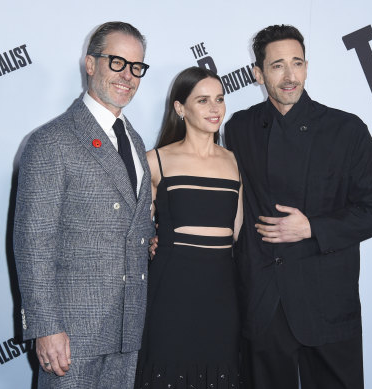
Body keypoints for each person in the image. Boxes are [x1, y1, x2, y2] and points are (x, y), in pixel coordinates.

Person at [224, 25, 372, 389]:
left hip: (327, 301)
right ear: (258, 73)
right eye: (277, 65)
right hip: (264, 302)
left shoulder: (346, 130)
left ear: (306, 67)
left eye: (297, 63)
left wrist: (313, 228)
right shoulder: (239, 127)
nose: (289, 76)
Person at [13, 21, 154, 388]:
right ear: (90, 64)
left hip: (127, 326)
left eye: (136, 67)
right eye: (117, 62)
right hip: (71, 334)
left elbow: (128, 220)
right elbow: (33, 242)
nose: (128, 76)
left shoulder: (136, 142)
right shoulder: (51, 141)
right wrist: (46, 327)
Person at [135, 66, 243, 389]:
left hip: (222, 293)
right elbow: (134, 231)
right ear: (180, 108)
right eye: (203, 100)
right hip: (171, 292)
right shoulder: (155, 160)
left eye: (220, 99)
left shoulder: (234, 161)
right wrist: (149, 242)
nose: (215, 108)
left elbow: (236, 233)